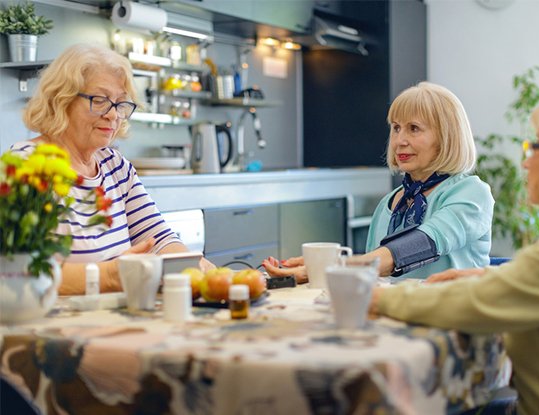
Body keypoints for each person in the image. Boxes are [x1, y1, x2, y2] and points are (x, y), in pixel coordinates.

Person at [370, 96, 539, 415]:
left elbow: (473, 303)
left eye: (535, 148)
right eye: (397, 128)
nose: (525, 162)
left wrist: (375, 298)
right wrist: (489, 275)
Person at [10, 43, 214, 295]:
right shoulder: (26, 167)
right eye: (100, 100)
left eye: (120, 104)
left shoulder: (115, 166)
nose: (113, 115)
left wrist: (196, 268)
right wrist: (109, 275)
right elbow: (19, 272)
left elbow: (159, 238)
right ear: (60, 100)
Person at [264, 82, 494, 282]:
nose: (400, 140)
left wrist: (327, 269)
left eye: (414, 128)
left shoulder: (471, 192)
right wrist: (325, 262)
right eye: (396, 128)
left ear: (446, 138)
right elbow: (375, 267)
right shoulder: (390, 201)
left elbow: (424, 243)